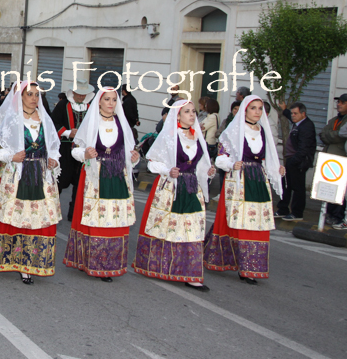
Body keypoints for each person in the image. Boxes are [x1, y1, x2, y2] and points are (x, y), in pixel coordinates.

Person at [0, 81, 62, 284]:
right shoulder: (13, 119)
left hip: (41, 176)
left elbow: (54, 148)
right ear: (21, 97)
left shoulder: (45, 120)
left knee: (38, 219)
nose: (34, 98)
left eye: (37, 94)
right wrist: (12, 157)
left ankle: (31, 262)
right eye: (29, 94)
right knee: (16, 217)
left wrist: (54, 161)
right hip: (18, 176)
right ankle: (13, 259)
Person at [132, 100, 215, 291]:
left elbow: (200, 166)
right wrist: (168, 170)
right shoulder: (169, 137)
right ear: (177, 116)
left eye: (193, 111)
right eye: (187, 112)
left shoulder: (198, 137)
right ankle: (160, 266)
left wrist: (208, 172)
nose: (192, 115)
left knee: (193, 229)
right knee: (168, 228)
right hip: (171, 188)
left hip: (192, 187)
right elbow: (152, 162)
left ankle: (192, 274)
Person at [203, 96, 285, 284]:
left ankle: (251, 266)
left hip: (258, 180)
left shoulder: (263, 131)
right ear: (245, 110)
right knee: (239, 222)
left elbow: (267, 159)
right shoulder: (233, 131)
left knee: (258, 223)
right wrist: (232, 164)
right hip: (239, 181)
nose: (257, 112)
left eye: (260, 108)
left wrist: (277, 170)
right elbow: (220, 158)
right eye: (253, 108)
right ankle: (241, 265)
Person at [63, 87, 139, 282]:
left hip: (117, 176)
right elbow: (75, 150)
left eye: (114, 99)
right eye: (107, 99)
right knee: (96, 220)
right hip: (95, 176)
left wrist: (135, 158)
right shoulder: (91, 123)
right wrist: (85, 154)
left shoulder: (122, 124)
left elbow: (130, 153)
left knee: (115, 220)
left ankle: (111, 263)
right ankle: (94, 262)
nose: (111, 103)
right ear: (99, 102)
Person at [50, 80, 94, 221]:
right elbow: (53, 123)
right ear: (73, 93)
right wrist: (68, 132)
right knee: (60, 181)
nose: (81, 97)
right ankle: (52, 211)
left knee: (80, 182)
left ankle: (74, 213)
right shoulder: (63, 105)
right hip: (65, 149)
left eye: (83, 94)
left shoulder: (91, 107)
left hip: (83, 151)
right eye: (79, 94)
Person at [275, 101, 316, 222]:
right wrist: (285, 110)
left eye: (295, 113)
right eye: (292, 113)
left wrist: (294, 161)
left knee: (298, 188)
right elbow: (290, 116)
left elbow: (304, 148)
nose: (293, 116)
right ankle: (283, 209)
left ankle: (297, 213)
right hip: (291, 159)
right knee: (286, 185)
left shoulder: (306, 126)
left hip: (299, 161)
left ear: (303, 114)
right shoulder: (298, 122)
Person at [322, 94, 347, 226]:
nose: (339, 104)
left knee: (340, 190)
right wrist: (333, 135)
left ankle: (338, 216)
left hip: (341, 159)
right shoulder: (334, 120)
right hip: (329, 159)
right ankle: (329, 214)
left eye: (342, 102)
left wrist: (331, 135)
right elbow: (323, 134)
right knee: (329, 188)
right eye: (338, 102)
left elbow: (341, 135)